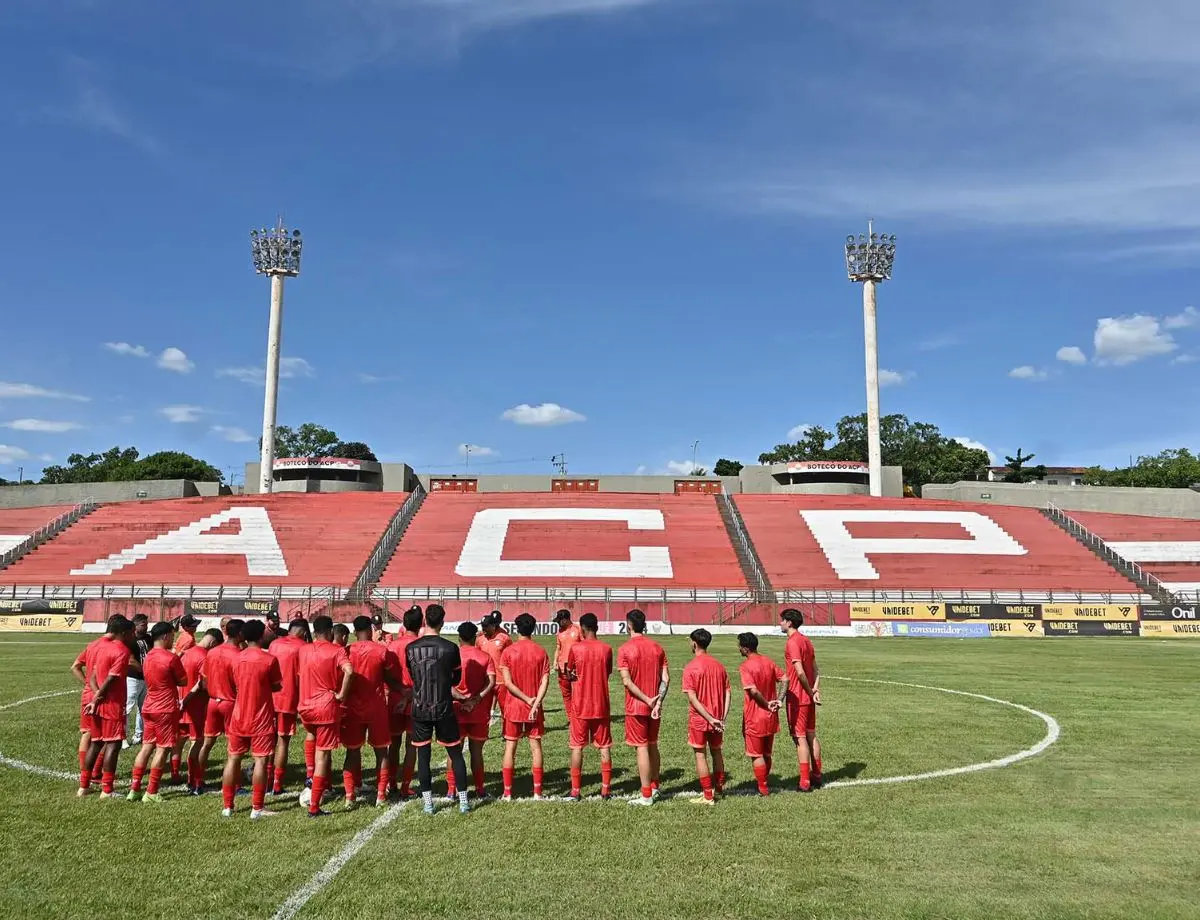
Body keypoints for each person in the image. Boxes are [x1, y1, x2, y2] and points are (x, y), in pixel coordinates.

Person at [404, 604, 471, 815]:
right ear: (442, 622)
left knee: (423, 756)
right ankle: (463, 802)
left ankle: (428, 804)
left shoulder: (411, 648)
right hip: (444, 706)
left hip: (420, 707)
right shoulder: (451, 648)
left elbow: (414, 677)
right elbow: (457, 678)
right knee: (455, 753)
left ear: (425, 620)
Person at [223, 620, 283, 819]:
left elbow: (234, 683)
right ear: (260, 636)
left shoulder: (236, 659)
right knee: (260, 760)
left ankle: (228, 806)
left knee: (233, 759)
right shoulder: (269, 660)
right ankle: (257, 807)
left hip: (239, 715)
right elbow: (276, 686)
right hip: (261, 717)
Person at [342, 616, 403, 809]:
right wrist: (404, 691)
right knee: (381, 752)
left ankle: (350, 797)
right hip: (376, 706)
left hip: (353, 707)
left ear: (353, 632)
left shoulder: (347, 651)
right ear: (370, 629)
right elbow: (391, 679)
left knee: (352, 751)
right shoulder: (381, 651)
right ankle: (380, 795)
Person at [297, 615, 354, 817]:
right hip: (325, 706)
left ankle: (311, 782)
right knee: (323, 754)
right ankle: (314, 805)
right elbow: (349, 670)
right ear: (330, 632)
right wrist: (341, 695)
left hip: (304, 706)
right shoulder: (337, 650)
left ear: (313, 632)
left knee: (311, 739)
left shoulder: (303, 650)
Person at [128, 621, 187, 804]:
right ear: (165, 636)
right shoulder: (170, 658)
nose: (174, 639)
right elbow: (183, 681)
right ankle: (152, 791)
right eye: (172, 635)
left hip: (149, 706)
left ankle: (135, 788)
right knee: (162, 749)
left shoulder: (148, 657)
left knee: (146, 747)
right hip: (165, 708)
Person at [79, 615, 135, 797]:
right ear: (125, 633)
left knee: (95, 743)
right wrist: (98, 699)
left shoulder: (102, 648)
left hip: (98, 701)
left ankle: (84, 786)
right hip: (112, 703)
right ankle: (107, 789)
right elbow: (111, 678)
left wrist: (95, 697)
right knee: (113, 744)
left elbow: (93, 676)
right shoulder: (122, 650)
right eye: (130, 634)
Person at [617, 609, 669, 805]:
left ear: (628, 625)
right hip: (655, 705)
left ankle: (646, 794)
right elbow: (665, 678)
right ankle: (655, 786)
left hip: (637, 706)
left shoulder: (624, 649)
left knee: (642, 748)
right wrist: (658, 700)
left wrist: (647, 700)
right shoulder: (657, 648)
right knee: (653, 744)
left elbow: (627, 682)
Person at [498, 613, 550, 801]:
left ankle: (508, 792)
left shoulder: (508, 652)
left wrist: (526, 699)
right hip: (534, 708)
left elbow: (508, 683)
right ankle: (537, 792)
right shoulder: (541, 652)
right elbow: (545, 681)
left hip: (514, 706)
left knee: (510, 747)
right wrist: (534, 703)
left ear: (516, 628)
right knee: (535, 747)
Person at [565, 613, 614, 801]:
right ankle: (605, 790)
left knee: (577, 747)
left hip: (580, 705)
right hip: (600, 703)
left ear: (582, 629)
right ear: (597, 627)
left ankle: (575, 791)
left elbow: (569, 672)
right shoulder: (607, 649)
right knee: (604, 746)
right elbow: (607, 672)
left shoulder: (576, 649)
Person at [681, 628, 730, 805]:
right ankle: (719, 789)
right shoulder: (719, 665)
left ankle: (708, 795)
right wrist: (722, 717)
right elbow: (728, 693)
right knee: (717, 752)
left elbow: (692, 697)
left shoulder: (691, 667)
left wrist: (709, 718)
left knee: (700, 754)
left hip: (700, 720)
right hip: (717, 718)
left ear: (694, 643)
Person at [196, 619, 245, 793]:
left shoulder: (212, 652)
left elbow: (204, 680)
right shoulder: (238, 655)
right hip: (230, 703)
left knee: (206, 744)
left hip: (212, 702)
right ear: (240, 634)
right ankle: (235, 785)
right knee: (234, 747)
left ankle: (198, 781)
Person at [737, 632, 785, 797]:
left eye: (739, 646)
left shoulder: (745, 667)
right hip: (771, 716)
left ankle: (763, 788)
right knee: (767, 752)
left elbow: (753, 691)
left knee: (756, 754)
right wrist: (779, 700)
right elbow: (785, 679)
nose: (738, 649)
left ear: (745, 648)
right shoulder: (768, 661)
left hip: (755, 716)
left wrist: (765, 704)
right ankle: (765, 781)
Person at [780, 609, 823, 791]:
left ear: (789, 622)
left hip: (798, 697)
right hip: (809, 695)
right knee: (811, 734)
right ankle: (817, 775)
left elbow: (800, 672)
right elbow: (816, 670)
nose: (780, 623)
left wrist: (808, 691)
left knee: (800, 738)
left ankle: (804, 782)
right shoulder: (807, 640)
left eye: (782, 621)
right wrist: (815, 690)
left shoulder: (793, 642)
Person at [452, 622, 495, 800]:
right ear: (475, 637)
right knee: (476, 752)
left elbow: (447, 684)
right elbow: (491, 682)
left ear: (459, 638)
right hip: (478, 711)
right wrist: (477, 698)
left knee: (454, 752)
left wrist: (461, 698)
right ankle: (479, 788)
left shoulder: (452, 656)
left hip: (456, 710)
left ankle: (451, 789)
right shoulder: (485, 656)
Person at [178, 628, 221, 794]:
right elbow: (203, 684)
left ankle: (177, 774)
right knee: (197, 743)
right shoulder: (204, 656)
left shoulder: (187, 652)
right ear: (212, 642)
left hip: (182, 701)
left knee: (180, 742)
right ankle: (194, 781)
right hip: (195, 705)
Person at [268, 617, 307, 795]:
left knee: (269, 740)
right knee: (283, 741)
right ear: (304, 633)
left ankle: (266, 777)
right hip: (288, 698)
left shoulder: (275, 644)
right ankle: (277, 782)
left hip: (270, 697)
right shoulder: (303, 648)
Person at [71, 622, 113, 790]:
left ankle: (86, 772)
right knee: (105, 736)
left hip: (89, 693)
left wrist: (87, 683)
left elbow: (75, 666)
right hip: (103, 693)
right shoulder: (112, 647)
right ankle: (94, 772)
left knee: (88, 733)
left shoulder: (92, 645)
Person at [388, 606, 423, 798]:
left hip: (394, 698)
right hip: (416, 699)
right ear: (421, 624)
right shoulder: (421, 645)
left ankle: (391, 782)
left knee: (393, 744)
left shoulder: (392, 645)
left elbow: (386, 674)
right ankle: (405, 786)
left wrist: (400, 690)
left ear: (403, 623)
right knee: (412, 745)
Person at [477, 612, 512, 725]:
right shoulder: (480, 639)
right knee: (483, 710)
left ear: (493, 626)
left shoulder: (504, 638)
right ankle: (482, 733)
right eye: (482, 626)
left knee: (505, 708)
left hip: (501, 680)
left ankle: (507, 731)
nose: (484, 629)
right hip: (485, 680)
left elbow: (511, 657)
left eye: (486, 626)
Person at [123, 614, 151, 749]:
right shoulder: (130, 640)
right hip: (132, 678)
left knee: (143, 708)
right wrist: (146, 671)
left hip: (145, 678)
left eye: (147, 624)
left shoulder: (148, 638)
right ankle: (123, 737)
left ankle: (139, 735)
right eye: (143, 625)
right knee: (128, 708)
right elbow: (130, 661)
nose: (146, 627)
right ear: (136, 626)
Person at [553, 609, 581, 723]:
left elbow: (584, 646)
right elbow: (558, 648)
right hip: (562, 668)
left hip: (575, 668)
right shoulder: (560, 632)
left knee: (578, 694)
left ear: (565, 620)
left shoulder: (578, 629)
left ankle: (579, 716)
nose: (558, 623)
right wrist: (555, 661)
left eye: (559, 621)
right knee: (566, 695)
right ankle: (571, 719)